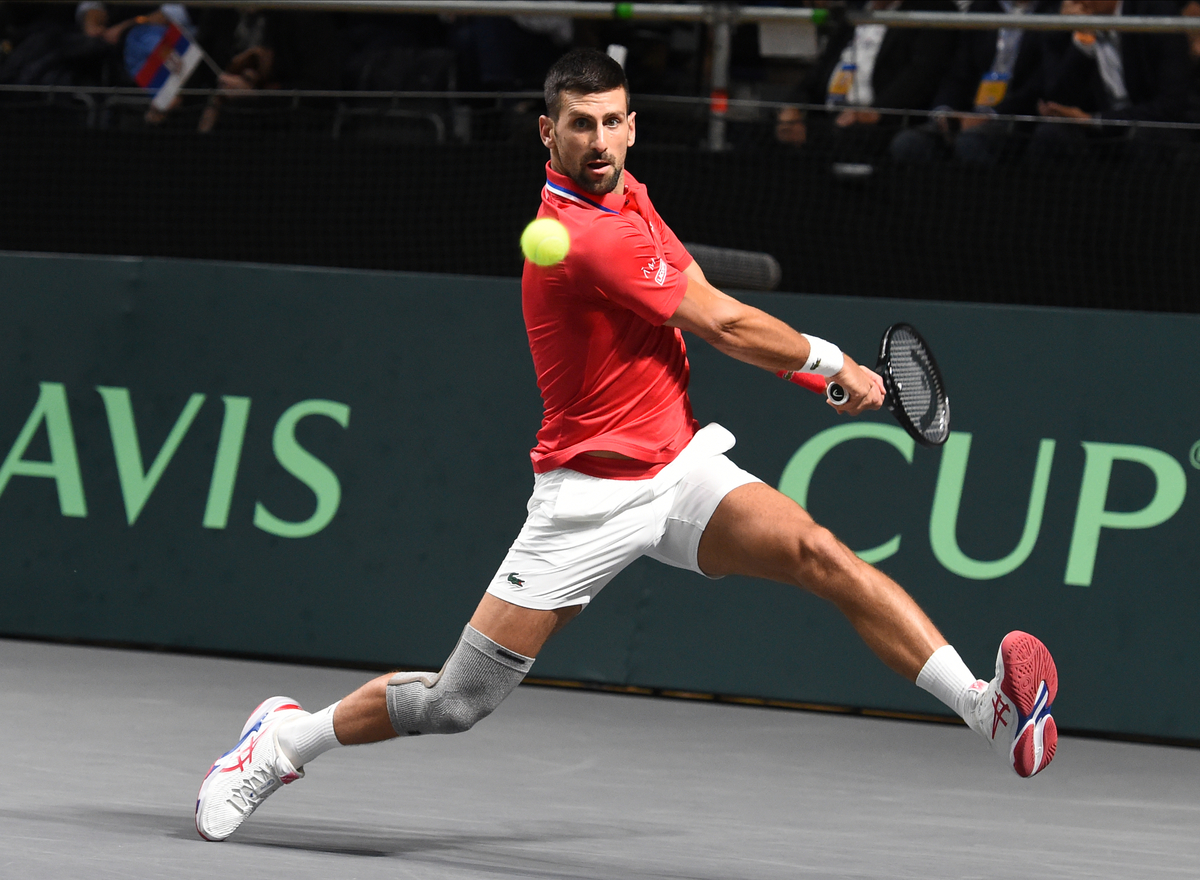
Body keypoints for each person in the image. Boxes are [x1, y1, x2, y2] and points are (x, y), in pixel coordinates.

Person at [194, 48, 1060, 844]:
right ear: (548, 130)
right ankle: (279, 742)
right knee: (456, 704)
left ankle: (985, 711)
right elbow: (720, 322)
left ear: (633, 124)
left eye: (612, 120)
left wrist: (811, 380)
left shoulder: (629, 194)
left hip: (679, 469)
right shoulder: (586, 236)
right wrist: (836, 362)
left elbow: (705, 293)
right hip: (586, 496)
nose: (599, 138)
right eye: (580, 123)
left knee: (820, 553)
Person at [774, 0, 959, 163]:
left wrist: (876, 112)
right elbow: (819, 70)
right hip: (831, 111)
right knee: (765, 128)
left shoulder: (932, 9)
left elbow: (922, 75)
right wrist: (792, 107)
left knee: (846, 136)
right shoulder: (856, 11)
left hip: (883, 118)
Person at [889, 0, 1057, 166]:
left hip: (1018, 117)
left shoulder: (1055, 9)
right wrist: (944, 112)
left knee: (971, 142)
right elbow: (959, 71)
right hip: (970, 112)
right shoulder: (984, 7)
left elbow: (1041, 82)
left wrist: (992, 115)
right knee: (909, 142)